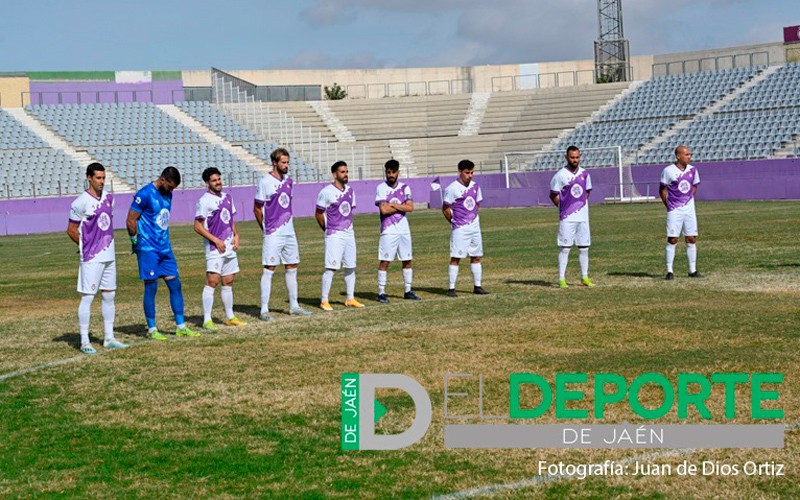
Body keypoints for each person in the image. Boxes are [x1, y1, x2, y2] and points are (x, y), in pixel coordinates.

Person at [126, 167, 199, 340]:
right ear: (163, 179)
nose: (172, 190)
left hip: (165, 248)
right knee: (151, 287)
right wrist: (135, 241)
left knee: (175, 285)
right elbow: (130, 220)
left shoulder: (168, 194)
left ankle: (180, 326)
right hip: (148, 248)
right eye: (171, 186)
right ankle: (152, 329)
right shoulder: (144, 194)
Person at [67, 162, 128, 354]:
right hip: (92, 258)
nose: (102, 181)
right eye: (98, 178)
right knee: (88, 297)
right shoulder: (80, 202)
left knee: (109, 295)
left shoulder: (110, 199)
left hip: (109, 255)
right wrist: (85, 247)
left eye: (103, 178)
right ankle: (85, 341)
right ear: (89, 178)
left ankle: (108, 338)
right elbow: (71, 229)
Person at [253, 147, 313, 321]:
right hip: (273, 233)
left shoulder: (289, 181)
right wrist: (265, 228)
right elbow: (257, 208)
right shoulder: (265, 182)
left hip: (289, 231)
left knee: (292, 266)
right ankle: (264, 310)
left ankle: (294, 306)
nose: (287, 165)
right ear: (274, 163)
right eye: (283, 162)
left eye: (288, 162)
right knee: (269, 268)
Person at [194, 167, 246, 331]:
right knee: (212, 281)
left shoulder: (228, 198)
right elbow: (197, 226)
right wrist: (215, 240)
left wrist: (236, 235)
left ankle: (230, 317)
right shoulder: (204, 200)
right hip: (215, 248)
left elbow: (230, 220)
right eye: (214, 180)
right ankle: (207, 320)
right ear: (207, 183)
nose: (218, 182)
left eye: (219, 179)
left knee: (228, 281)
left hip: (229, 246)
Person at [316, 160, 364, 310]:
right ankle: (324, 300)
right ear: (335, 174)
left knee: (351, 266)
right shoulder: (326, 192)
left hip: (349, 233)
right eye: (342, 172)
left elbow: (350, 212)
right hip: (334, 234)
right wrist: (329, 230)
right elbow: (318, 213)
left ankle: (350, 298)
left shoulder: (350, 191)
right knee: (331, 267)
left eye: (347, 171)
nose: (346, 174)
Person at [375, 159, 420, 303]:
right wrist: (401, 205)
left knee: (407, 260)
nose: (391, 175)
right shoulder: (381, 188)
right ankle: (381, 292)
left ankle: (408, 291)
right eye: (388, 172)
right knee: (385, 261)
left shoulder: (405, 188)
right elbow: (383, 209)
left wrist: (392, 205)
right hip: (388, 230)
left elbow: (410, 208)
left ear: (398, 172)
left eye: (393, 172)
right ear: (386, 173)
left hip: (403, 229)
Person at [549, 145, 595, 288]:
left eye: (577, 157)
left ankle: (584, 277)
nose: (575, 160)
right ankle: (562, 279)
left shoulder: (585, 174)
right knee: (565, 248)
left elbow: (586, 192)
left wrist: (579, 205)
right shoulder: (560, 175)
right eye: (572, 157)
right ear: (567, 158)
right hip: (567, 218)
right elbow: (553, 194)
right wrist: (564, 208)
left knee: (584, 247)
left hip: (583, 217)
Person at [442, 159, 488, 297]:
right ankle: (451, 288)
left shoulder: (475, 186)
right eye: (467, 172)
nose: (470, 175)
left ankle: (477, 286)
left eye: (472, 172)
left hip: (475, 226)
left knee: (476, 256)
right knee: (456, 257)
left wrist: (472, 217)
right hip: (460, 228)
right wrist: (455, 221)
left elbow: (476, 204)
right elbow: (445, 208)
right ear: (460, 172)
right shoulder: (452, 188)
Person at [660, 145, 701, 280]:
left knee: (691, 238)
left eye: (690, 154)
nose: (689, 157)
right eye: (686, 154)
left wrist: (689, 198)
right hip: (675, 210)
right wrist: (668, 204)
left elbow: (695, 186)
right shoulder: (668, 171)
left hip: (689, 209)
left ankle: (692, 270)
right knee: (672, 239)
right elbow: (662, 189)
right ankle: (669, 270)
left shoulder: (693, 170)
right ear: (678, 156)